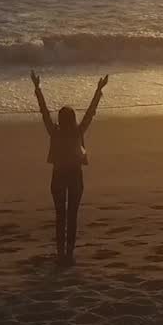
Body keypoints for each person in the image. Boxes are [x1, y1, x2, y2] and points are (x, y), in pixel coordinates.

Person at [31, 70, 107, 262]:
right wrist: (98, 90)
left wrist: (38, 88)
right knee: (72, 215)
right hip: (75, 175)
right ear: (73, 119)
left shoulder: (54, 132)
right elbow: (91, 113)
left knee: (60, 216)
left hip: (58, 175)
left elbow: (44, 111)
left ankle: (60, 253)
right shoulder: (78, 131)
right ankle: (70, 253)